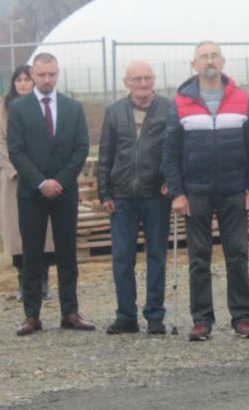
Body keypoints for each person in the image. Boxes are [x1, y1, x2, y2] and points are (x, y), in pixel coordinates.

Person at [162, 40, 249, 341]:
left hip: (235, 190)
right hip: (196, 192)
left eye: (214, 56)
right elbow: (169, 152)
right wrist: (178, 193)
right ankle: (202, 320)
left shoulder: (243, 99)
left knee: (237, 254)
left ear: (223, 62)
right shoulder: (179, 102)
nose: (209, 61)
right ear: (193, 65)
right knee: (199, 258)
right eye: (203, 57)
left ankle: (242, 317)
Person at [8, 52, 93, 336]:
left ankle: (70, 312)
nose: (47, 80)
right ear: (32, 75)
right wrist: (41, 182)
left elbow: (81, 148)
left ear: (58, 73)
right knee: (32, 254)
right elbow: (16, 151)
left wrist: (61, 181)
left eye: (52, 74)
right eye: (42, 75)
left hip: (65, 193)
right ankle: (32, 315)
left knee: (67, 253)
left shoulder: (72, 108)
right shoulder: (19, 110)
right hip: (32, 194)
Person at [97, 60, 172, 335]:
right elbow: (106, 153)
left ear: (154, 80)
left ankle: (155, 315)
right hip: (123, 197)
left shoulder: (168, 108)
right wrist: (104, 190)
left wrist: (170, 182)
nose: (143, 84)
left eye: (147, 78)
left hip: (156, 196)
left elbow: (174, 150)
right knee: (122, 258)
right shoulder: (114, 111)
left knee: (157, 256)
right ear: (126, 82)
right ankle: (126, 315)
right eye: (137, 79)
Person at [0, 65, 54, 302]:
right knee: (19, 235)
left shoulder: (45, 106)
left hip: (43, 179)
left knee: (45, 234)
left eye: (26, 79)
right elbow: (0, 142)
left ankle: (43, 281)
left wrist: (40, 173)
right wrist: (18, 169)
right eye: (18, 79)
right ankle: (25, 283)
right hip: (15, 180)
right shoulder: (4, 109)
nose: (22, 83)